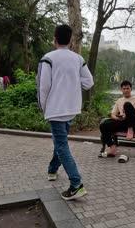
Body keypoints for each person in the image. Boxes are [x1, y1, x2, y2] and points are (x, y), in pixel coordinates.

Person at [37, 24, 94, 201]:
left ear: (54, 39)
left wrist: (43, 107)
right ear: (70, 40)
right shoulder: (78, 59)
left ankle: (76, 184)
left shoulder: (48, 58)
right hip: (71, 109)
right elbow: (89, 82)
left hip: (55, 110)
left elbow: (43, 86)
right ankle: (53, 169)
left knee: (61, 145)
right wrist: (72, 84)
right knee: (60, 143)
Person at [99, 80, 135, 157]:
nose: (126, 90)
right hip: (124, 122)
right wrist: (116, 118)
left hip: (134, 124)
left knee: (127, 105)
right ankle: (112, 148)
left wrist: (128, 113)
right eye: (124, 88)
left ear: (131, 89)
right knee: (103, 125)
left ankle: (130, 129)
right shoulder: (119, 100)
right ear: (121, 90)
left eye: (127, 88)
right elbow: (112, 114)